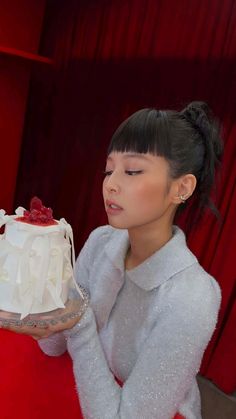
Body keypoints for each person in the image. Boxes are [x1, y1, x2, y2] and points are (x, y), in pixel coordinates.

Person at [3, 102, 223, 419]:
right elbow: (54, 347)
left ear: (182, 188)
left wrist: (77, 323)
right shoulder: (102, 241)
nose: (111, 184)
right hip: (90, 385)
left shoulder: (192, 298)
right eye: (109, 169)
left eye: (132, 171)